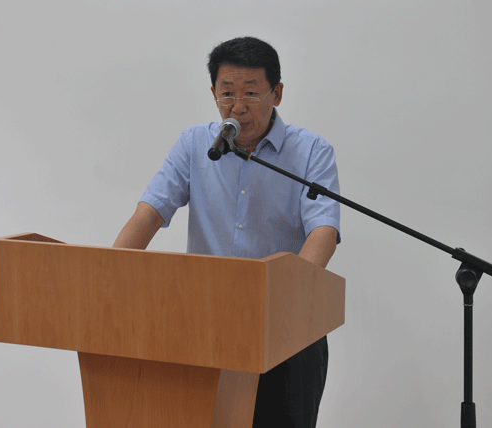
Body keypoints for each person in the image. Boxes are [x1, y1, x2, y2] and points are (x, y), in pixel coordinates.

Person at [113, 36, 340, 428]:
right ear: (213, 94)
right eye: (227, 93)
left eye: (250, 92)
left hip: (287, 327)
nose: (237, 106)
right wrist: (109, 275)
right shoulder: (195, 144)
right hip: (208, 321)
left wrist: (289, 303)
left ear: (277, 93)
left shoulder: (311, 152)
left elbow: (322, 232)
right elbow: (149, 213)